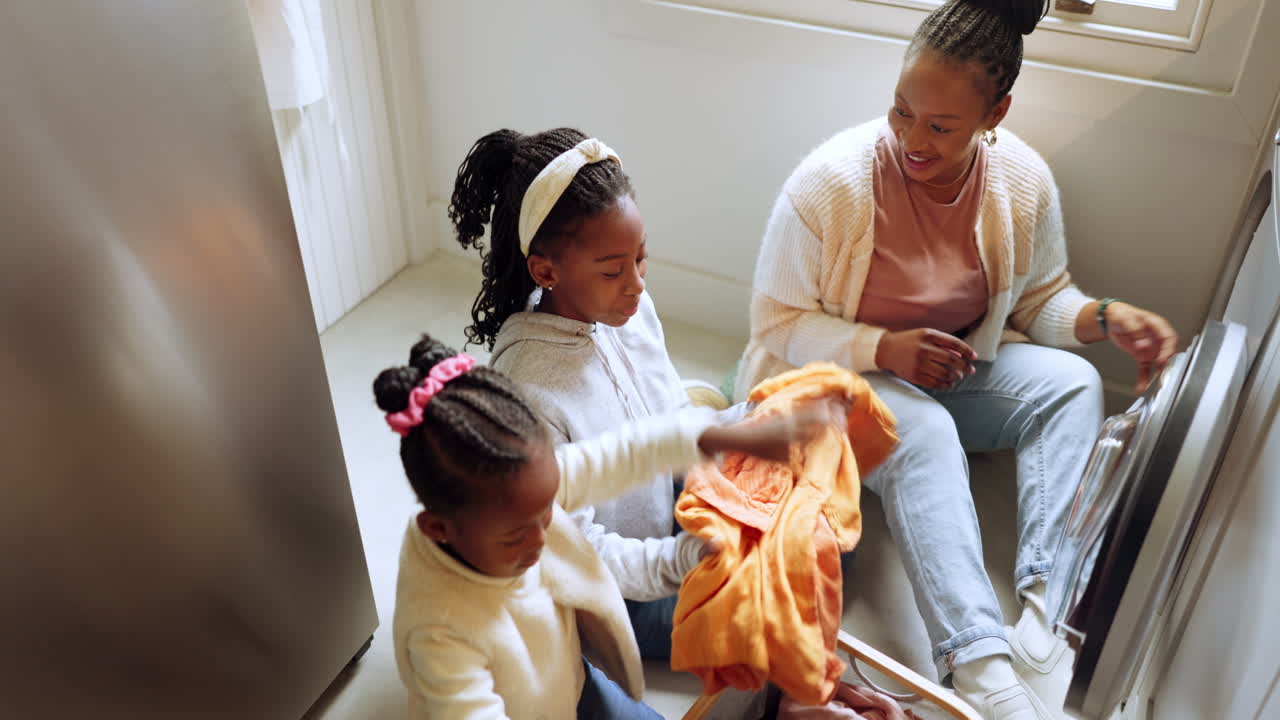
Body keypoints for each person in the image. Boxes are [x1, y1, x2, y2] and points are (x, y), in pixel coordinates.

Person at [733, 0, 1178, 717]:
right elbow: (775, 322)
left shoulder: (1020, 180)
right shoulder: (831, 185)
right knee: (926, 434)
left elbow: (1039, 303)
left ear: (994, 115)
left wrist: (1102, 319)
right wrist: (884, 348)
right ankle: (977, 663)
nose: (913, 137)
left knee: (1073, 383)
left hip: (946, 373)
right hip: (830, 380)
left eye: (941, 126)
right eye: (901, 111)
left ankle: (1045, 611)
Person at [379, 333, 837, 719]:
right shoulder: (440, 630)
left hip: (570, 683)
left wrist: (739, 437)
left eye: (546, 517)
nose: (543, 540)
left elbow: (629, 452)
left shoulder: (520, 491)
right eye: (516, 536)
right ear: (438, 527)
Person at [450, 127, 746, 659]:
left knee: (821, 539)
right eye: (613, 270)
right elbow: (580, 553)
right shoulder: (529, 394)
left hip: (673, 521)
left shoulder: (628, 307)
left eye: (641, 258)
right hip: (617, 594)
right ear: (546, 271)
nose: (635, 283)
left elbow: (672, 413)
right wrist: (684, 559)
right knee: (766, 612)